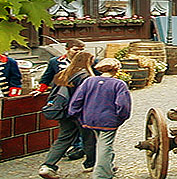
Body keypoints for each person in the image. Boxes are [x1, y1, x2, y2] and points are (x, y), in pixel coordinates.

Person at [69, 58, 131, 179]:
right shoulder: (118, 84)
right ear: (116, 69)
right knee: (105, 145)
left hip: (90, 119)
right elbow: (123, 105)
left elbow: (77, 100)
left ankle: (109, 166)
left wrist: (76, 114)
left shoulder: (89, 81)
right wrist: (121, 118)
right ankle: (101, 175)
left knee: (101, 143)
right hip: (108, 120)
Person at [38, 51, 96, 179]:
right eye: (92, 60)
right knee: (89, 138)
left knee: (63, 139)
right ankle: (91, 163)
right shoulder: (85, 76)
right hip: (80, 113)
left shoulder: (62, 74)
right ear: (87, 61)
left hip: (64, 112)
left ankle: (48, 165)